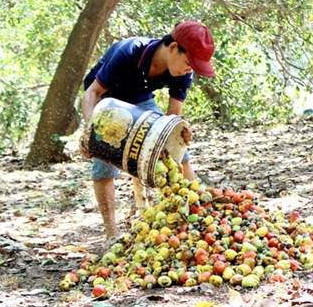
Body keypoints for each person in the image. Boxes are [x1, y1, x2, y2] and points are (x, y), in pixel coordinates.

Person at [79, 21, 216, 240]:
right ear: (172, 48)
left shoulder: (182, 73)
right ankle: (111, 234)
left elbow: (173, 116)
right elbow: (92, 93)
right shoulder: (129, 51)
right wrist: (90, 133)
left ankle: (198, 215)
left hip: (141, 100)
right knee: (103, 162)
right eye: (188, 63)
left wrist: (180, 133)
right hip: (107, 99)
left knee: (179, 153)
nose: (188, 70)